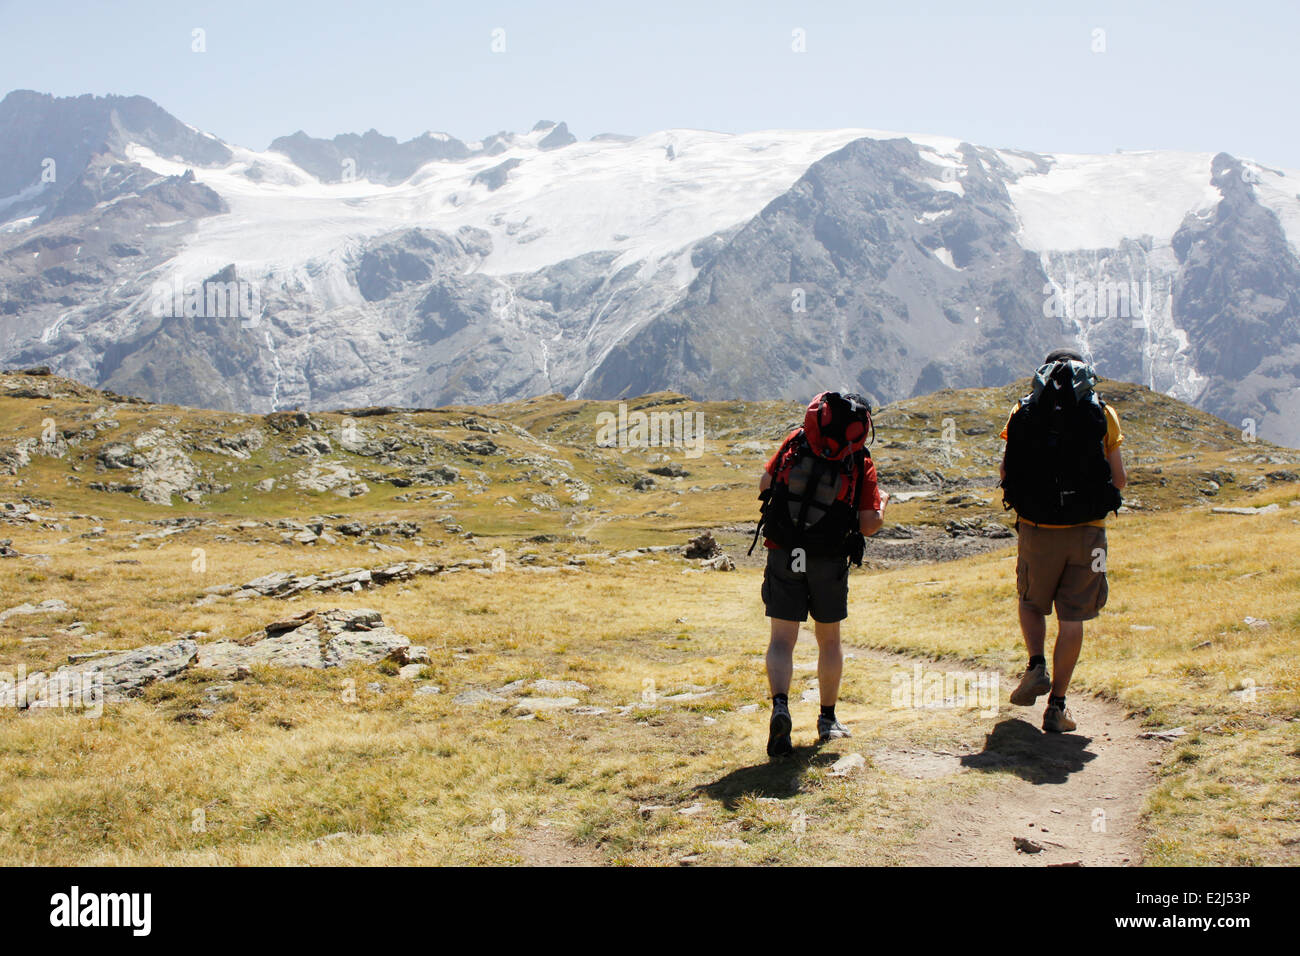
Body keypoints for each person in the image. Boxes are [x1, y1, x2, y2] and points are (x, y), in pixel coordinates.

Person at [751, 391, 889, 758]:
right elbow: (869, 523)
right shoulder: (859, 459)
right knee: (829, 641)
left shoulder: (797, 440)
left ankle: (781, 706)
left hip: (785, 551)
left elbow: (765, 485)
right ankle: (827, 720)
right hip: (827, 559)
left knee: (782, 639)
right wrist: (884, 505)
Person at [999, 349, 1126, 733]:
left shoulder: (1023, 411)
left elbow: (1007, 472)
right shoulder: (1101, 412)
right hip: (1089, 532)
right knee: (1073, 619)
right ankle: (1057, 707)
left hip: (1036, 529)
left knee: (1029, 600)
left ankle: (1036, 665)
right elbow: (1118, 479)